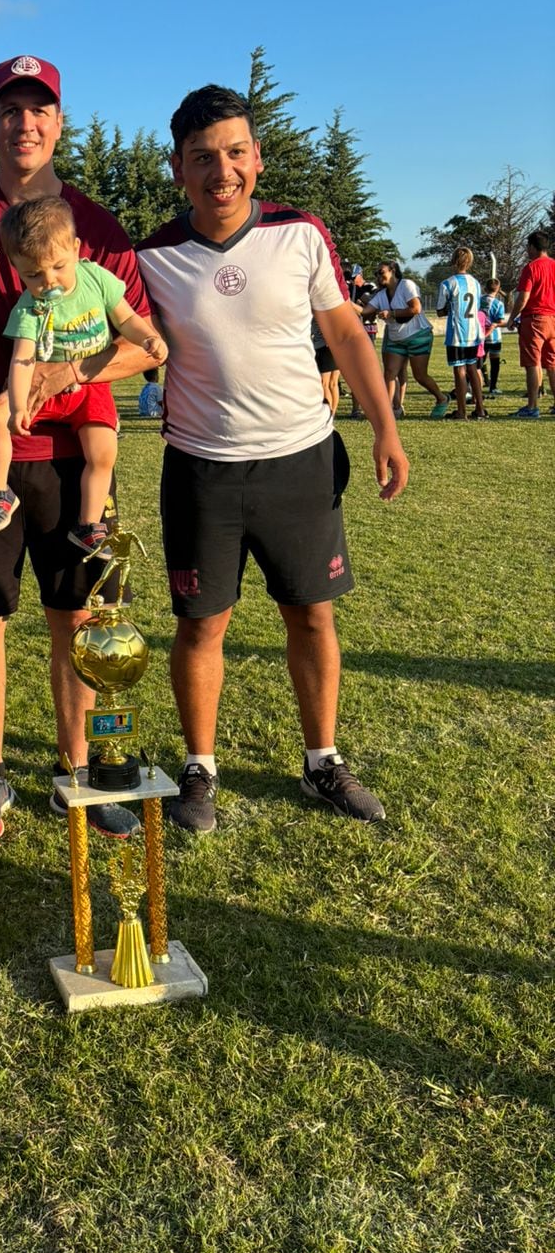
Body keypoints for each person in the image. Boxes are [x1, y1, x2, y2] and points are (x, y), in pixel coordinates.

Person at [135, 84, 408, 834]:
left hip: (300, 463)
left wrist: (385, 428)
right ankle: (200, 768)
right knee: (201, 626)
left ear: (256, 157)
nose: (221, 171)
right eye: (201, 159)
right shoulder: (153, 256)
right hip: (200, 469)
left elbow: (348, 336)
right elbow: (133, 343)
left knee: (312, 616)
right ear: (177, 168)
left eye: (233, 153)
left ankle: (323, 760)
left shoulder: (300, 234)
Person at [0, 55, 154, 844]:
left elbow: (142, 342)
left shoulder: (97, 225)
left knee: (76, 614)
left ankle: (76, 771)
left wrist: (66, 373)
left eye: (40, 110)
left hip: (68, 457)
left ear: (59, 124)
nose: (25, 124)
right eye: (10, 110)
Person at [0, 195, 166, 553]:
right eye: (33, 274)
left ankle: (88, 525)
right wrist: (19, 406)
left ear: (77, 249)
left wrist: (148, 338)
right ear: (14, 266)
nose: (48, 281)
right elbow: (21, 361)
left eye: (58, 267)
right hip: (42, 389)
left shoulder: (96, 279)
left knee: (103, 451)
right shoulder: (29, 308)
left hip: (88, 386)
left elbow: (126, 318)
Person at [364, 261, 448, 418]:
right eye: (376, 273)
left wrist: (392, 314)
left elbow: (416, 308)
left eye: (381, 272)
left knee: (420, 376)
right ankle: (386, 411)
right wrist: (344, 302)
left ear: (393, 270)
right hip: (397, 339)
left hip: (418, 335)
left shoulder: (407, 285)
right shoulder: (381, 295)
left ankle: (442, 398)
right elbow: (364, 311)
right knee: (389, 373)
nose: (378, 276)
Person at [507, 231, 555, 417]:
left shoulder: (532, 267)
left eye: (528, 247)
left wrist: (512, 317)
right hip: (553, 319)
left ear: (533, 247)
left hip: (535, 319)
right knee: (551, 363)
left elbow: (523, 297)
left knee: (532, 363)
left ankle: (532, 406)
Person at [436, 247, 485, 421]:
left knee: (459, 370)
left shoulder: (448, 283)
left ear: (453, 261)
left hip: (457, 332)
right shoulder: (476, 283)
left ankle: (461, 412)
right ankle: (480, 409)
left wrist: (449, 308)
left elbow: (440, 310)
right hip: (473, 331)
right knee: (473, 368)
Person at [480, 278, 507, 396]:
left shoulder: (478, 300)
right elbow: (500, 321)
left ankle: (472, 385)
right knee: (495, 361)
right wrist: (502, 324)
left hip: (480, 335)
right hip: (494, 337)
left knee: (479, 362)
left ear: (485, 289)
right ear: (498, 290)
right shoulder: (498, 304)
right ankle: (493, 387)